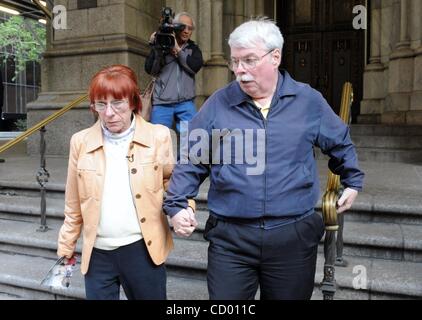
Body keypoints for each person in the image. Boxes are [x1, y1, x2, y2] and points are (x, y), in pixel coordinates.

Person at [163, 18, 365, 300]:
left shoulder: (308, 101)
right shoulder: (217, 105)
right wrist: (176, 206)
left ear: (275, 57)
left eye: (249, 60)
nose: (240, 71)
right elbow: (192, 160)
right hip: (231, 241)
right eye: (235, 61)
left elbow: (340, 141)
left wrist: (352, 180)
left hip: (292, 237)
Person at [56, 65, 193, 300]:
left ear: (133, 102)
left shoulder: (158, 136)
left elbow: (172, 182)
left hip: (143, 249)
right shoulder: (80, 142)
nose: (109, 113)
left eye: (117, 103)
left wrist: (185, 209)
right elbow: (74, 202)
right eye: (101, 104)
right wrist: (66, 247)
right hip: (97, 254)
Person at [145, 12, 203, 133]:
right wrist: (156, 48)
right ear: (174, 27)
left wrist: (178, 50)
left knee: (192, 139)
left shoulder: (193, 49)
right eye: (182, 27)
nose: (186, 31)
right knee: (158, 140)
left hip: (186, 103)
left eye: (190, 28)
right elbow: (150, 69)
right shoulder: (161, 46)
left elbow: (195, 67)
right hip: (162, 103)